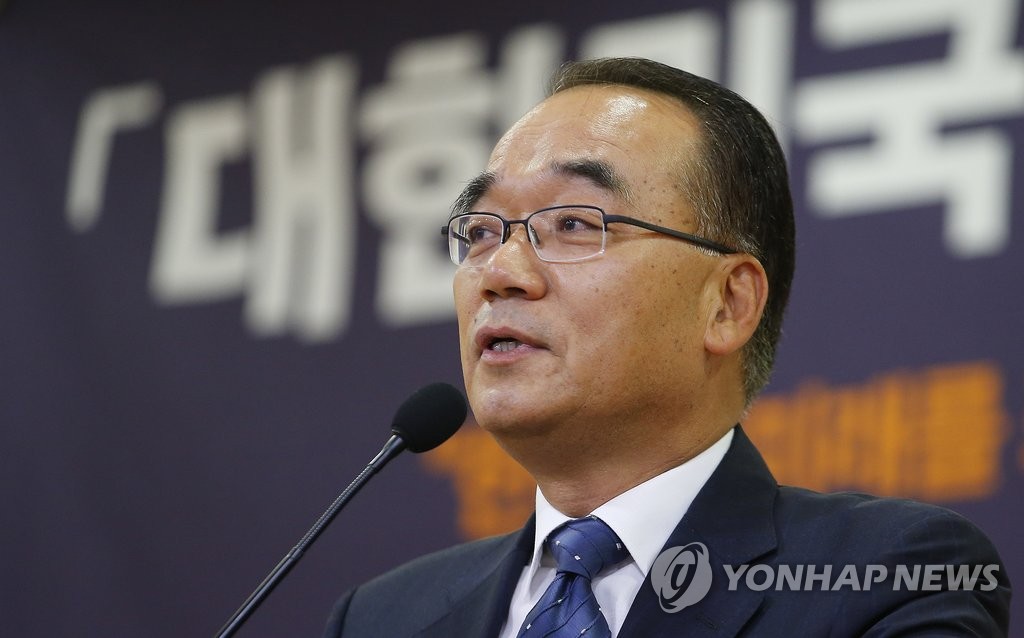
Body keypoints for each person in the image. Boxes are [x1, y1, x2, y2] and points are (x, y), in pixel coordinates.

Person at [323, 57, 1010, 637]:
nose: (500, 271)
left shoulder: (890, 578)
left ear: (728, 303)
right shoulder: (381, 619)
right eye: (481, 231)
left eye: (573, 223)